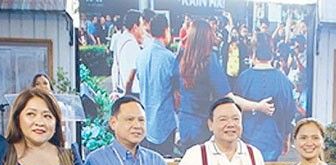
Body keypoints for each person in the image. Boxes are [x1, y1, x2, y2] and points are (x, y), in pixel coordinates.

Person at [175, 18, 275, 150]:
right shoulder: (209, 60)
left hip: (184, 124)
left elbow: (175, 91)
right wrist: (258, 106)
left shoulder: (180, 57)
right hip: (202, 126)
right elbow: (229, 98)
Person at [236, 32, 295, 161]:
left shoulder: (244, 78)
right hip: (273, 141)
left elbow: (235, 109)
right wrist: (286, 136)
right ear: (272, 52)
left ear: (252, 52)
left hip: (246, 141)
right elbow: (289, 111)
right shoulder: (282, 80)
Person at [135, 13, 178, 156]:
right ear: (166, 30)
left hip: (144, 124)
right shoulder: (170, 58)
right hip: (164, 125)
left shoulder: (141, 55)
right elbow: (177, 93)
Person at [110, 9, 144, 99]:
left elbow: (115, 66)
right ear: (135, 27)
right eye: (142, 26)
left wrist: (114, 89)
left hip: (122, 91)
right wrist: (127, 94)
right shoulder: (132, 45)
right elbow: (132, 73)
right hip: (133, 94)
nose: (143, 30)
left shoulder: (120, 40)